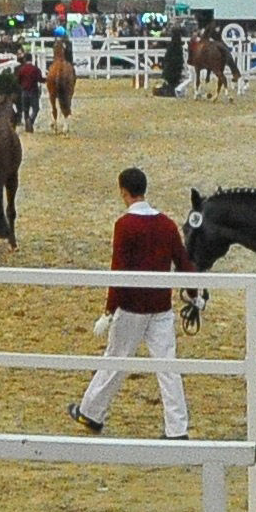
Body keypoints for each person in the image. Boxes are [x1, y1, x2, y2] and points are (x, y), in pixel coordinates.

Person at [67, 166, 191, 439]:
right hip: (161, 307)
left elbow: (119, 271)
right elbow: (183, 261)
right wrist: (194, 293)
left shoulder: (125, 225)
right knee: (168, 367)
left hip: (132, 307)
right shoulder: (167, 224)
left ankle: (91, 412)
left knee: (115, 359)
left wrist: (109, 311)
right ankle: (177, 428)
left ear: (124, 192)